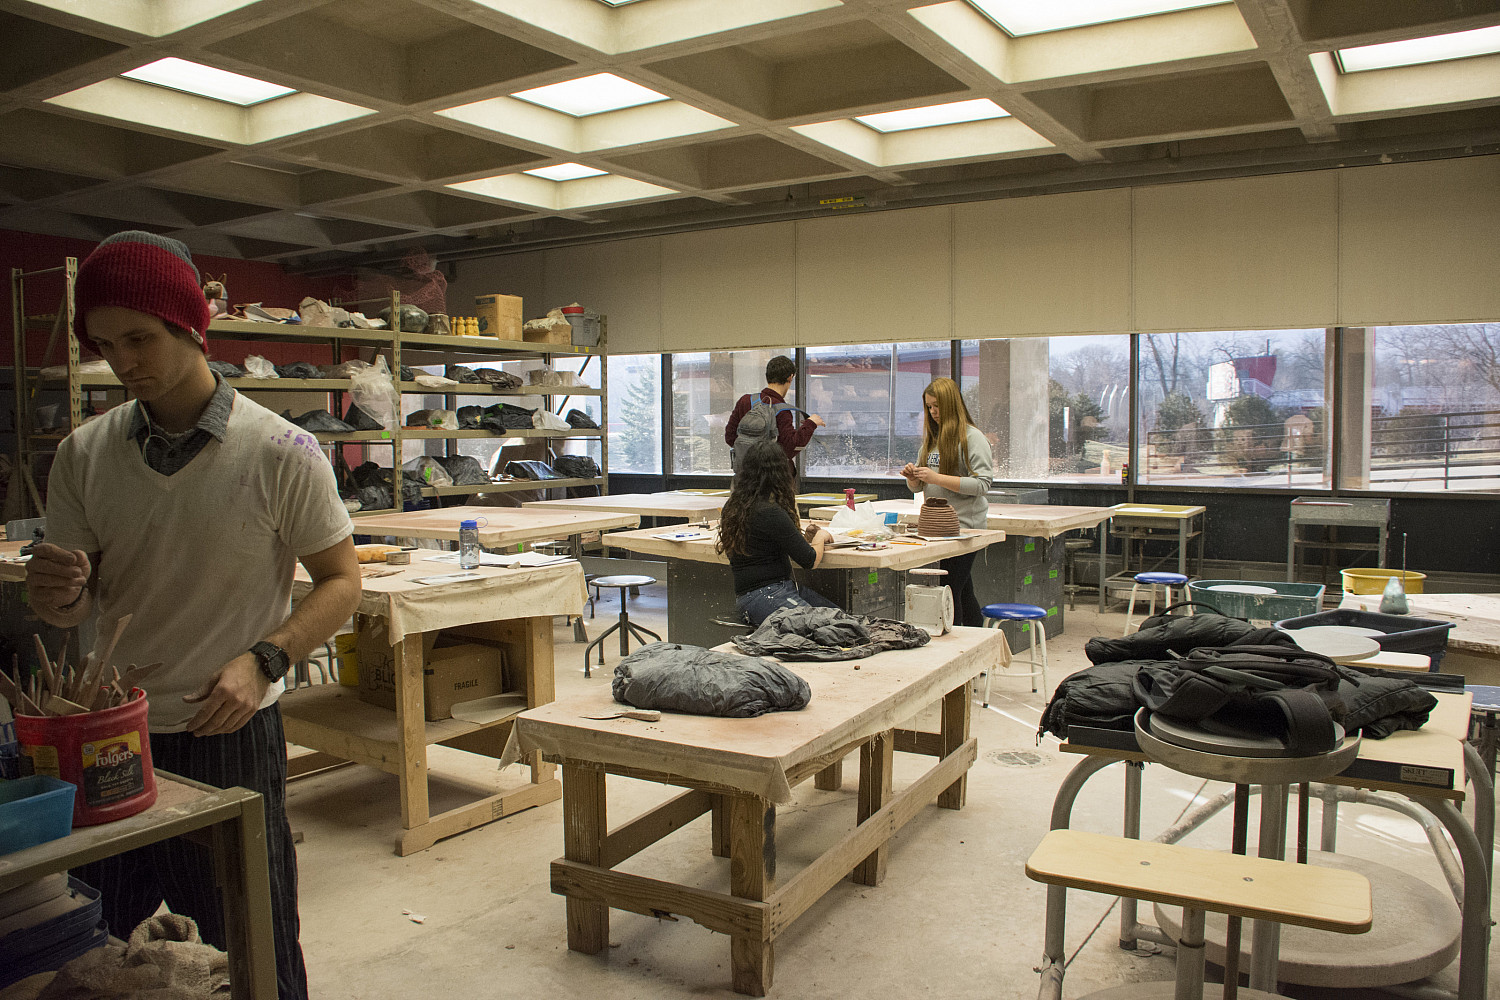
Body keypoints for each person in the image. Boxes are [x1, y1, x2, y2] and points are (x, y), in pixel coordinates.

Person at [25, 231, 363, 1000]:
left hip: (228, 729)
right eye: (107, 345)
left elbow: (343, 582)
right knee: (92, 954)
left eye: (141, 338)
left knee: (257, 947)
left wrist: (266, 659)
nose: (125, 362)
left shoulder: (282, 451)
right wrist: (56, 594)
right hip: (110, 738)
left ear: (190, 327)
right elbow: (77, 598)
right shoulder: (84, 454)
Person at [902, 376, 995, 628]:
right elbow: (921, 485)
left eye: (937, 406)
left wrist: (937, 478)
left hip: (965, 529)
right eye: (929, 407)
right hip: (938, 531)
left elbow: (983, 484)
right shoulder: (933, 438)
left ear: (952, 404)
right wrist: (914, 478)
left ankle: (961, 647)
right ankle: (979, 649)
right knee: (962, 590)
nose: (933, 412)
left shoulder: (972, 438)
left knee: (950, 590)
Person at [716, 438, 839, 626]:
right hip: (769, 595)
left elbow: (766, 544)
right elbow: (809, 560)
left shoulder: (734, 506)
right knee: (838, 628)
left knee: (841, 620)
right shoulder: (769, 511)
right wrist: (821, 536)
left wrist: (802, 538)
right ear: (780, 473)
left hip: (752, 597)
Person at [724, 354, 825, 479]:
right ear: (790, 377)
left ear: (768, 376)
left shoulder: (745, 401)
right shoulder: (781, 410)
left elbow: (730, 437)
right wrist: (811, 423)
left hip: (746, 478)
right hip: (775, 481)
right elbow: (790, 448)